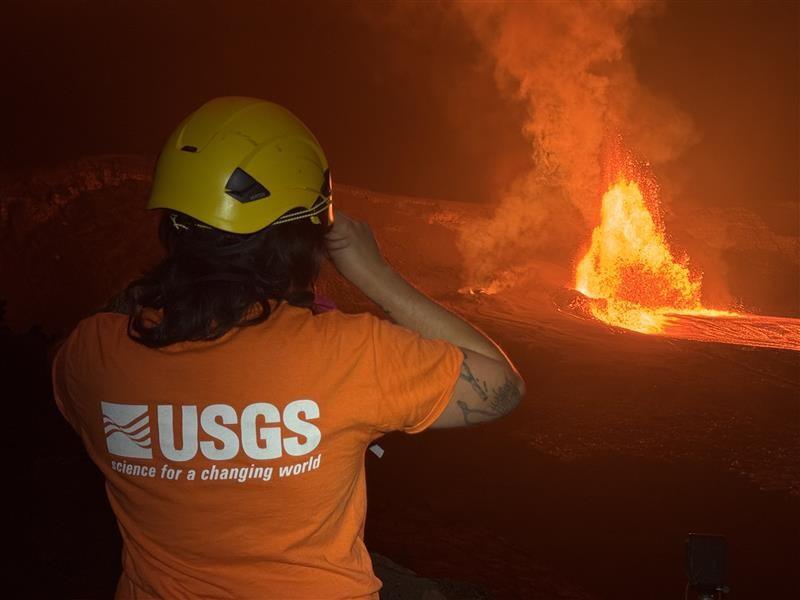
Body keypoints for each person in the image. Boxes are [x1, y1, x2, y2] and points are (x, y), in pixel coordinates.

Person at [51, 96, 525, 599]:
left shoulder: (91, 355)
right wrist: (374, 274)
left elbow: (85, 349)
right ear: (306, 234)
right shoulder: (349, 354)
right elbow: (501, 385)